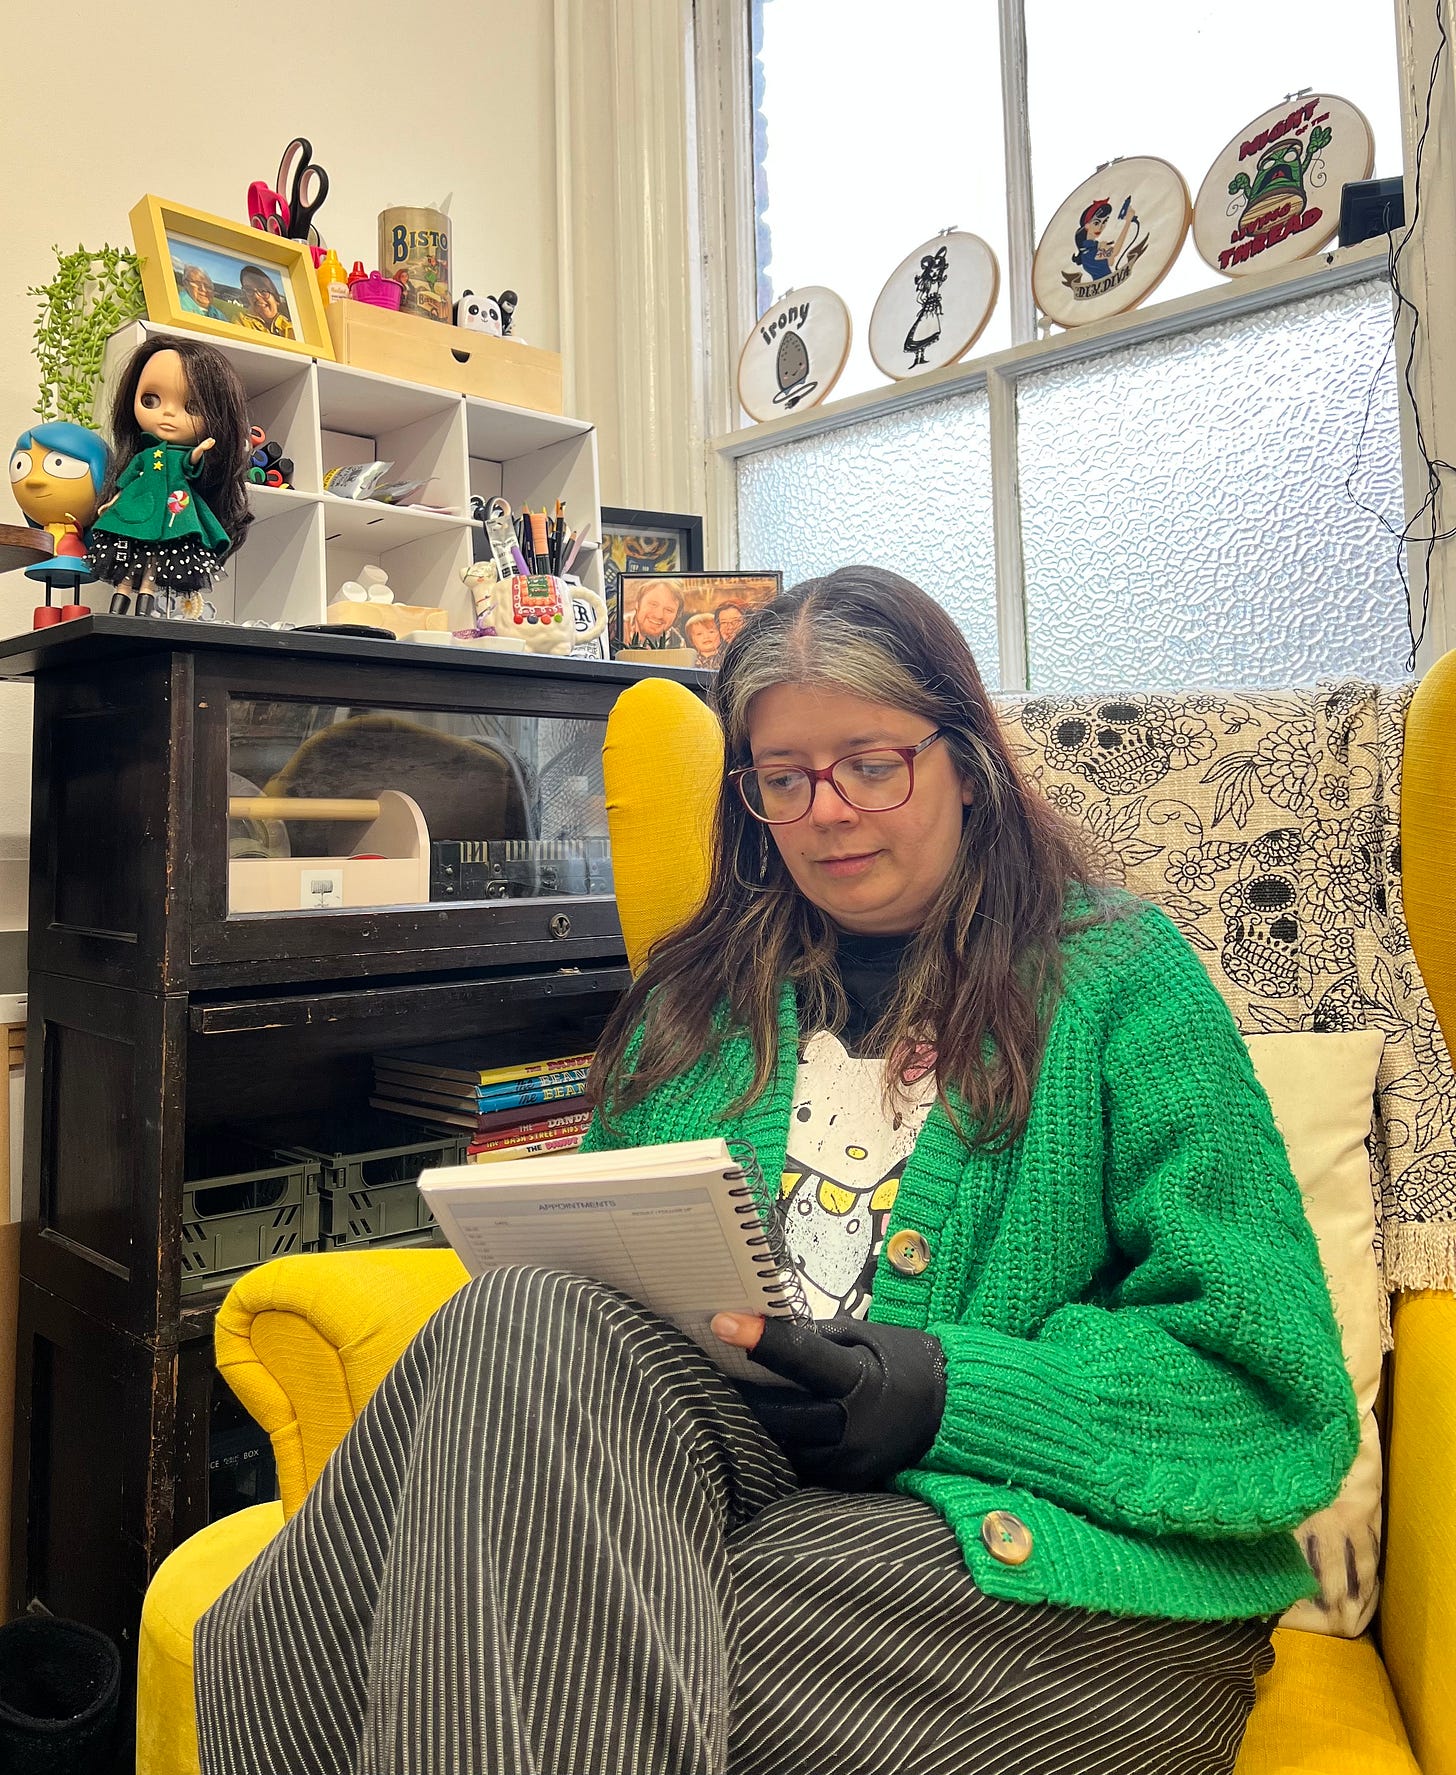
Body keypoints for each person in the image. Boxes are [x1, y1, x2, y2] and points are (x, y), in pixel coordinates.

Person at [196, 566, 1357, 1775]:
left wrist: (943, 1386)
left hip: (1039, 1562)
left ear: (963, 757)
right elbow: (583, 1313)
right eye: (784, 779)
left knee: (505, 1618)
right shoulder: (696, 1004)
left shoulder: (1118, 976)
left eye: (870, 762)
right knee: (522, 1321)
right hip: (731, 1490)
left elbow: (1270, 1384)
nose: (828, 812)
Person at [236, 265, 296, 340]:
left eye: (263, 290)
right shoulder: (241, 321)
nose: (256, 296)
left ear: (276, 298)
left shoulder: (294, 328)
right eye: (249, 290)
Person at [622, 576, 685, 648]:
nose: (659, 615)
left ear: (676, 616)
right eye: (653, 604)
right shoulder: (615, 628)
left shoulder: (678, 643)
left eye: (669, 610)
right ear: (637, 603)